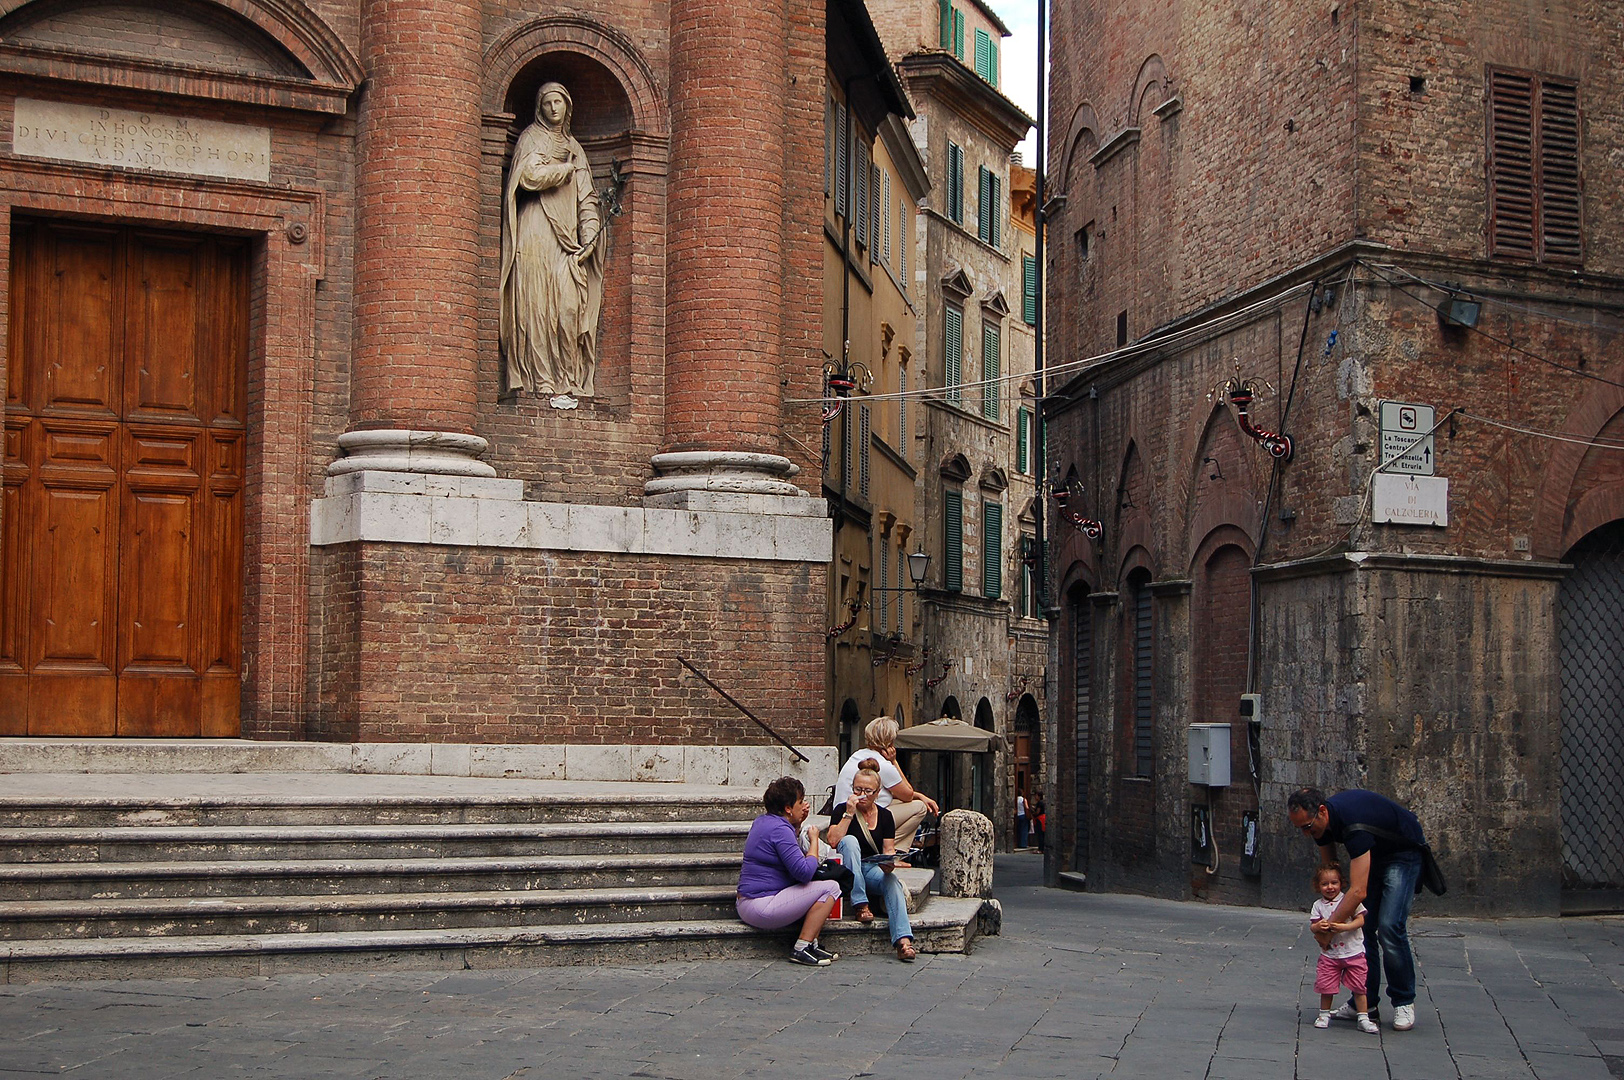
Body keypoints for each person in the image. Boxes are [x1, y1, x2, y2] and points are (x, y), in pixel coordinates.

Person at [499, 81, 606, 400]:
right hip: (535, 230)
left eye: (559, 102)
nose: (554, 108)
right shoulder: (530, 138)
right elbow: (527, 176)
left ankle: (568, 377)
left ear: (568, 106)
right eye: (548, 103)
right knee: (536, 305)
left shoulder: (575, 148)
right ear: (539, 108)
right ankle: (540, 378)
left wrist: (589, 235)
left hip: (568, 240)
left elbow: (588, 198)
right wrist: (563, 169)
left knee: (568, 306)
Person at [1287, 786, 1427, 1031]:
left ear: (1321, 812)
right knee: (1363, 931)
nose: (1306, 834)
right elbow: (1333, 873)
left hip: (1403, 852)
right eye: (1299, 828)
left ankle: (1404, 1000)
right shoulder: (1320, 824)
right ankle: (1365, 1003)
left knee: (1389, 926)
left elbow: (1357, 892)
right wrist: (1330, 916)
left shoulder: (1354, 826)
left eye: (1307, 827)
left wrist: (1330, 931)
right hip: (1374, 851)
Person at [737, 776, 841, 967]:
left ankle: (811, 944)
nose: (804, 806)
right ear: (787, 808)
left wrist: (797, 824)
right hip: (761, 905)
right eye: (800, 802)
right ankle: (802, 947)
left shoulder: (763, 821)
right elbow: (804, 872)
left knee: (819, 888)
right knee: (831, 888)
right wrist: (815, 840)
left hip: (749, 902)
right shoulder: (780, 829)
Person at [827, 758, 918, 962]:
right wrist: (849, 815)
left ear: (877, 793)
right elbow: (832, 841)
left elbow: (888, 849)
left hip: (871, 868)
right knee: (849, 841)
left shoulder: (885, 816)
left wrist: (889, 864)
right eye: (857, 789)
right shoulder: (842, 810)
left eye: (868, 791)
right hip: (848, 870)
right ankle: (860, 904)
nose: (862, 795)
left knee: (892, 882)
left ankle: (903, 941)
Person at [833, 717, 939, 849]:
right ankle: (893, 850)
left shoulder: (856, 756)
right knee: (919, 807)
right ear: (890, 742)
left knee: (908, 802)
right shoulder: (884, 765)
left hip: (843, 814)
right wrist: (894, 761)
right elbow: (908, 794)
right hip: (859, 820)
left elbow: (892, 793)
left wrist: (921, 795)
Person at [1308, 864, 1378, 1033]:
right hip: (1330, 955)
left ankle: (1363, 1017)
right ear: (1318, 886)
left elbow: (1360, 920)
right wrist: (1319, 926)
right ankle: (1324, 1014)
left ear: (1342, 883)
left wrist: (1344, 928)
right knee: (1326, 986)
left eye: (1334, 883)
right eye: (1325, 884)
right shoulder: (1318, 905)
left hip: (1353, 952)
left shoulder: (1349, 900)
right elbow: (1313, 926)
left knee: (1359, 987)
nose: (1330, 887)